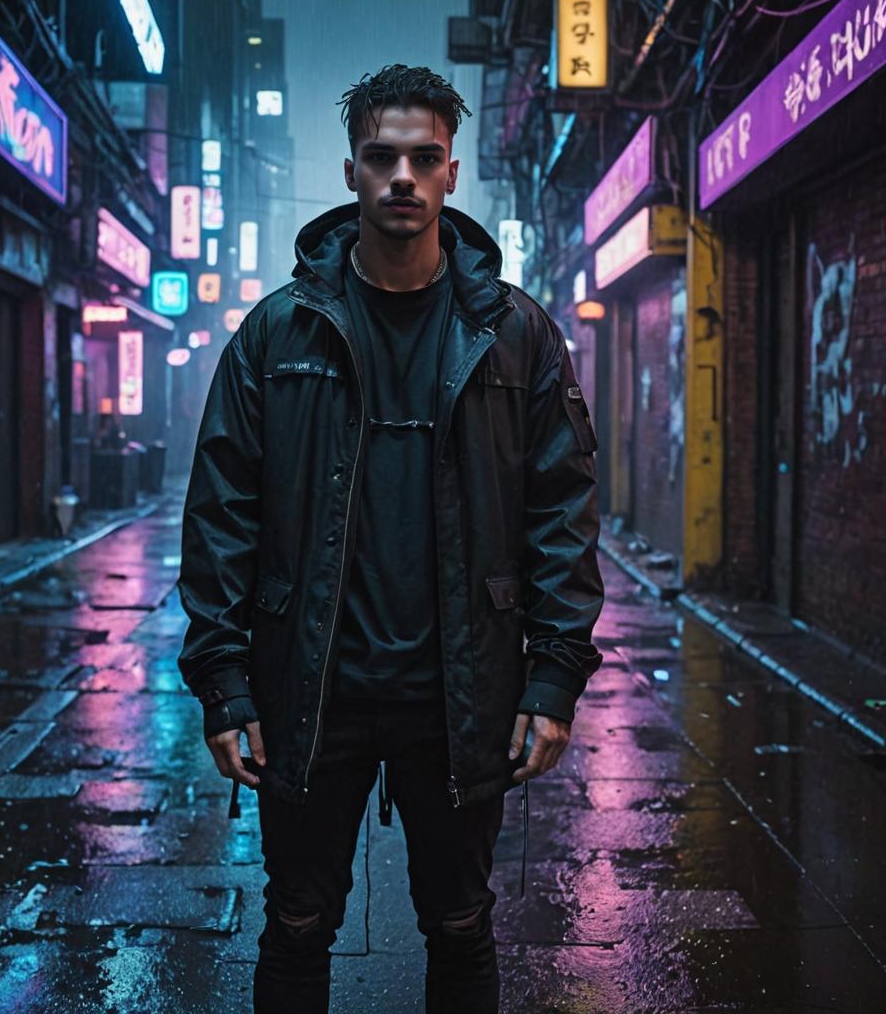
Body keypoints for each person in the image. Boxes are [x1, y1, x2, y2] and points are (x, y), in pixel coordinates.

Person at [177, 64, 605, 1014]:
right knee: (295, 920)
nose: (402, 176)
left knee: (460, 921)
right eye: (383, 157)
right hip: (310, 687)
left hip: (461, 690)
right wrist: (224, 682)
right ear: (351, 172)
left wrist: (553, 677)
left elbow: (563, 510)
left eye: (423, 157)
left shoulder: (516, 335)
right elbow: (220, 514)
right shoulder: (279, 333)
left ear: (452, 172)